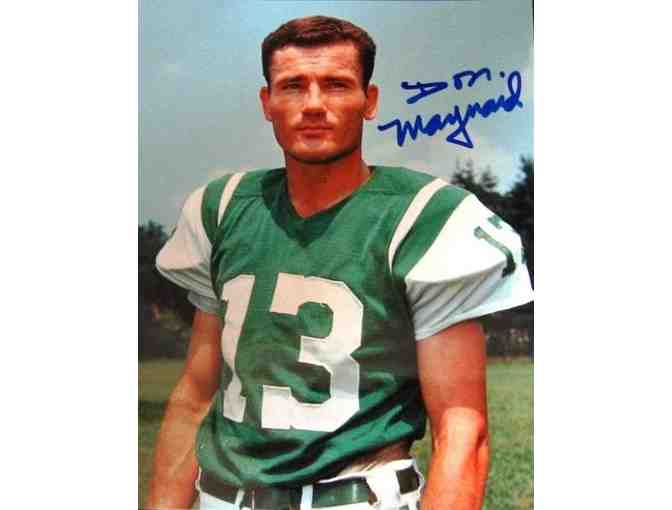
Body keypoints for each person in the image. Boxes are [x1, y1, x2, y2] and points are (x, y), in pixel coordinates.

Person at [149, 15, 533, 510]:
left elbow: (461, 429)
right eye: (293, 86)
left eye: (335, 84)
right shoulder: (223, 209)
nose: (313, 104)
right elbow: (195, 397)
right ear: (267, 102)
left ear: (369, 101)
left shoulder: (424, 218)